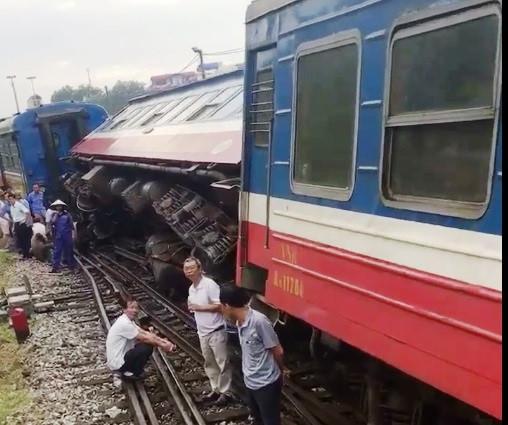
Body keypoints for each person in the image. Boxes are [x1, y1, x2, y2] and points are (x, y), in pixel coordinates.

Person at [220, 285, 285, 425]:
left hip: (266, 383)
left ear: (227, 305)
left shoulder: (259, 321)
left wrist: (281, 373)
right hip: (250, 382)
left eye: (221, 307)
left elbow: (278, 350)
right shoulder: (238, 322)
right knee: (257, 419)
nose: (221, 311)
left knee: (271, 421)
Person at [183, 257, 233, 405]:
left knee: (222, 362)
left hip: (216, 330)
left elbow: (220, 306)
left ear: (199, 269)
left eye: (192, 268)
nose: (189, 271)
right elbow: (194, 306)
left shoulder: (209, 285)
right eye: (186, 269)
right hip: (203, 332)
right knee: (210, 363)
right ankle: (216, 389)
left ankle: (226, 392)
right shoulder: (191, 289)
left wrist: (199, 307)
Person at [106, 296, 176, 386]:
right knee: (146, 347)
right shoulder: (124, 324)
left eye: (136, 308)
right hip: (117, 362)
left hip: (122, 356)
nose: (135, 310)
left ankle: (131, 370)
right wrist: (164, 345)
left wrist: (165, 342)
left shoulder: (129, 321)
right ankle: (129, 372)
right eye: (131, 308)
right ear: (124, 309)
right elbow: (145, 338)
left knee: (147, 344)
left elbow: (145, 333)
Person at [49, 199, 75, 273]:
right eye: (57, 206)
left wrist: (73, 235)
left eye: (60, 206)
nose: (58, 207)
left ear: (62, 207)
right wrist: (56, 214)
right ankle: (55, 267)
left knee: (69, 251)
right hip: (58, 236)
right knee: (57, 252)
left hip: (67, 235)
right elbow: (52, 223)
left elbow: (72, 226)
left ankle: (71, 267)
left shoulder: (67, 215)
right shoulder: (54, 215)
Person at [7, 193, 32, 259]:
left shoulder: (19, 205)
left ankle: (27, 254)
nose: (10, 201)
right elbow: (13, 217)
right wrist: (13, 226)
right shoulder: (11, 207)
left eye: (11, 199)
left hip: (22, 223)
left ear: (14, 199)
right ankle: (24, 254)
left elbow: (27, 212)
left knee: (25, 239)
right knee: (20, 240)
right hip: (16, 224)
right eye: (9, 199)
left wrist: (26, 221)